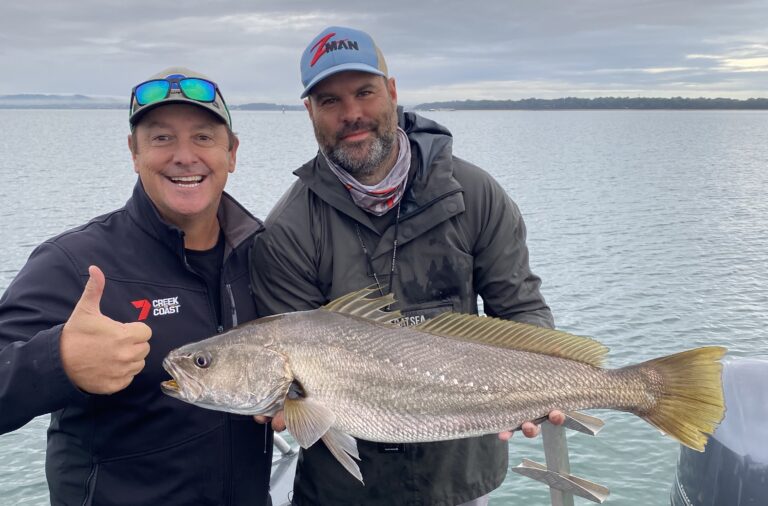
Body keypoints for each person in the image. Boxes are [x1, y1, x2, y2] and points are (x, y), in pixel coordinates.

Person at [250, 26, 562, 506]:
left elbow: (520, 309)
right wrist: (287, 406)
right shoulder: (288, 230)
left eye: (364, 92)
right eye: (330, 101)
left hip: (458, 475)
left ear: (392, 92)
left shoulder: (476, 194)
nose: (352, 114)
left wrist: (542, 385)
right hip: (345, 493)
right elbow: (298, 383)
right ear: (309, 112)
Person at [0, 67, 272, 505]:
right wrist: (57, 361)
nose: (184, 156)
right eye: (162, 138)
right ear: (134, 152)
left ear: (232, 153)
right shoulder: (75, 263)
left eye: (203, 137)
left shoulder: (262, 253)